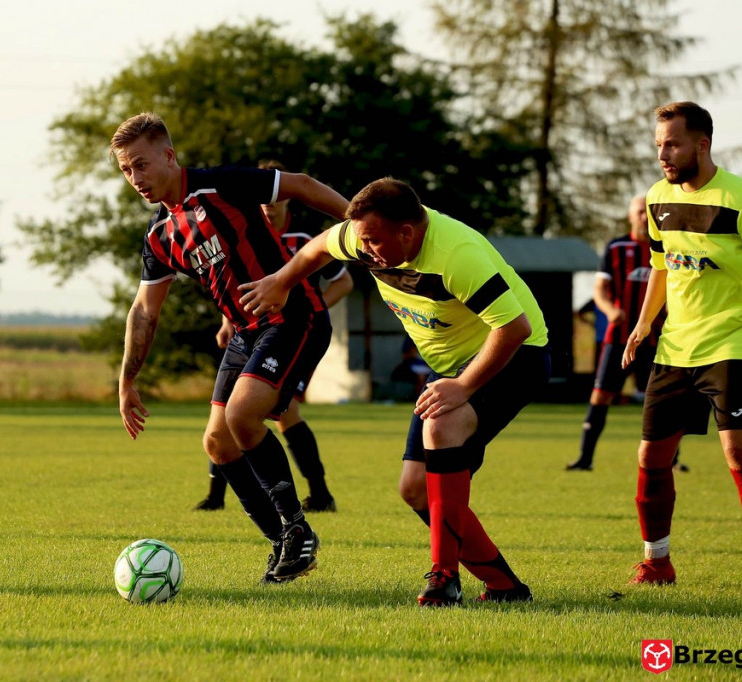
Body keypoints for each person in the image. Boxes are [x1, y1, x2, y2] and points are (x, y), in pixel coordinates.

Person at [240, 178, 551, 606]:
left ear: (407, 233)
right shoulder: (366, 234)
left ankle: (444, 577)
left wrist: (462, 386)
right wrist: (281, 281)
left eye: (372, 242)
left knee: (441, 426)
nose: (364, 250)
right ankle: (506, 588)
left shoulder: (456, 256)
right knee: (415, 489)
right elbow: (319, 247)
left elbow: (515, 328)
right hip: (451, 365)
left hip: (514, 354)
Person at [112, 113, 349, 583]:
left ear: (169, 156)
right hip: (246, 332)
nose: (135, 179)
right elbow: (144, 311)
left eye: (141, 165)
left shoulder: (221, 185)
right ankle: (283, 544)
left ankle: (298, 530)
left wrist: (361, 221)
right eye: (125, 170)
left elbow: (299, 184)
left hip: (294, 315)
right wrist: (127, 380)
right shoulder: (160, 237)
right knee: (218, 443)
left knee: (243, 416)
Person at [623, 101, 742, 595]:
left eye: (673, 144)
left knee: (737, 450)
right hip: (675, 348)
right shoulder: (657, 198)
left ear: (702, 144)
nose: (663, 155)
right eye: (659, 145)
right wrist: (644, 324)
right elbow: (662, 267)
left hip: (735, 343)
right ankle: (657, 562)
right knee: (651, 458)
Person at [195, 159, 354, 514]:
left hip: (294, 331)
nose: (267, 203)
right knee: (230, 415)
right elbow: (232, 281)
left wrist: (317, 308)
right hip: (250, 332)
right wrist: (227, 321)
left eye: (273, 197)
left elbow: (345, 281)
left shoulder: (304, 239)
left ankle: (318, 493)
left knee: (280, 413)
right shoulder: (239, 229)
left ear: (285, 198)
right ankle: (217, 497)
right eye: (261, 198)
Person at [567, 195, 686, 472]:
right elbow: (599, 291)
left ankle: (674, 460)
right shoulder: (616, 247)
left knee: (664, 400)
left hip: (657, 340)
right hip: (619, 339)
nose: (645, 217)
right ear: (630, 216)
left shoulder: (668, 248)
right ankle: (585, 458)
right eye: (639, 212)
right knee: (600, 396)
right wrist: (610, 311)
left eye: (649, 213)